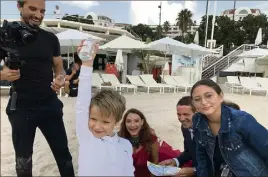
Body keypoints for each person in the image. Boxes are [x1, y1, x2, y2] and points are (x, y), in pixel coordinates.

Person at [0, 0, 74, 176]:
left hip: (50, 104)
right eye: (32, 9)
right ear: (19, 6)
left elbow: (59, 67)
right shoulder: (5, 35)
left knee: (64, 155)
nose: (39, 15)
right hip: (21, 107)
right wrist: (2, 74)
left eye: (42, 11)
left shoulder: (50, 39)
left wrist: (60, 78)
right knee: (23, 161)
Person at [76, 42, 134, 176]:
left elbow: (129, 172)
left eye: (106, 122)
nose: (97, 126)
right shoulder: (86, 136)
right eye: (93, 119)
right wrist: (87, 64)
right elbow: (82, 104)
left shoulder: (125, 145)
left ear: (118, 122)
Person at [191, 79, 268, 177]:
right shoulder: (197, 120)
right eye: (197, 99)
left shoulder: (241, 120)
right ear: (193, 104)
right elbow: (201, 156)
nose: (204, 102)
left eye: (209, 96)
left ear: (221, 96)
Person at [159, 96, 197, 177]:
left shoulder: (211, 131)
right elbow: (189, 152)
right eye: (179, 114)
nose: (181, 119)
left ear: (197, 113)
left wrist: (194, 171)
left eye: (186, 114)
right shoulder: (185, 127)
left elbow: (219, 163)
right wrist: (175, 161)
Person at [118, 108, 159, 177]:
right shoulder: (119, 139)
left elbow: (155, 161)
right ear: (125, 123)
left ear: (142, 122)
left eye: (136, 121)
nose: (132, 125)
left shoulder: (151, 138)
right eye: (128, 121)